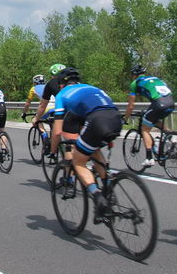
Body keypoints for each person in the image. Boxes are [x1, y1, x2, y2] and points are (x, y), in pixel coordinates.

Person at [48, 67, 122, 223]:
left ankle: (97, 196)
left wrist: (53, 151)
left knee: (78, 161)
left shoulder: (62, 94)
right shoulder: (92, 87)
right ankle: (108, 190)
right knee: (93, 149)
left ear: (61, 84)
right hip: (116, 119)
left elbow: (57, 131)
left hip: (97, 121)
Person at [122, 65, 175, 167]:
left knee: (144, 129)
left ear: (134, 75)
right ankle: (171, 137)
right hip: (171, 103)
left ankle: (149, 158)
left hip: (159, 103)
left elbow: (131, 106)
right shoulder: (156, 78)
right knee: (154, 120)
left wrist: (126, 118)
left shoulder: (135, 83)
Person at [31, 64, 67, 128]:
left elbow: (42, 105)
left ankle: (44, 134)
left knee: (57, 132)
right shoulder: (76, 82)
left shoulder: (51, 83)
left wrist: (36, 118)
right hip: (79, 110)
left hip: (60, 109)